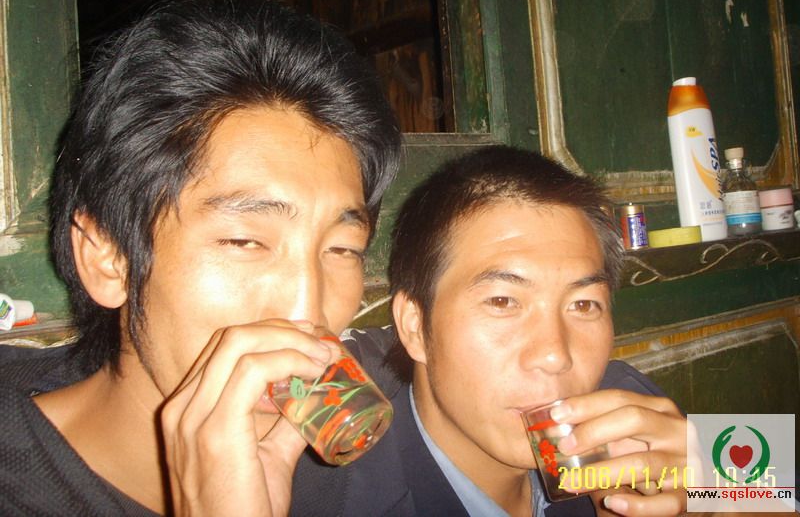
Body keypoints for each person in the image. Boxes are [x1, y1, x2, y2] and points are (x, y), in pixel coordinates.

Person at [0, 0, 400, 516]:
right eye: (245, 241)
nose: (309, 310)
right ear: (107, 258)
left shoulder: (340, 465)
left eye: (342, 248)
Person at [291, 146, 688, 517]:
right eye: (502, 301)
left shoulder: (627, 413)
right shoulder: (327, 494)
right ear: (414, 326)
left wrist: (711, 497)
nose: (555, 355)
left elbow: (725, 476)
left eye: (583, 305)